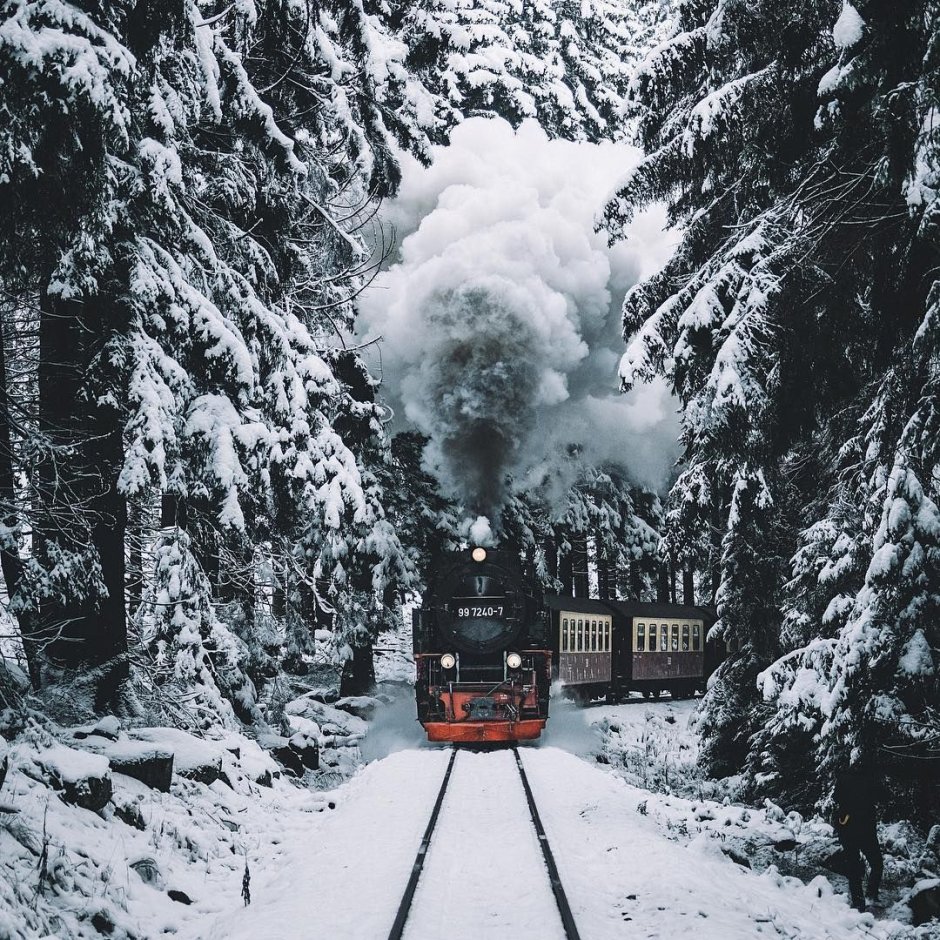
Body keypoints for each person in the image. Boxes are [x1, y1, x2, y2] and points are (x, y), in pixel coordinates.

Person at [831, 769, 883, 911]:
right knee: (877, 863)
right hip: (866, 830)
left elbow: (836, 798)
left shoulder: (843, 778)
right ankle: (871, 895)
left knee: (854, 867)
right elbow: (882, 796)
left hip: (847, 828)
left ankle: (859, 903)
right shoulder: (871, 778)